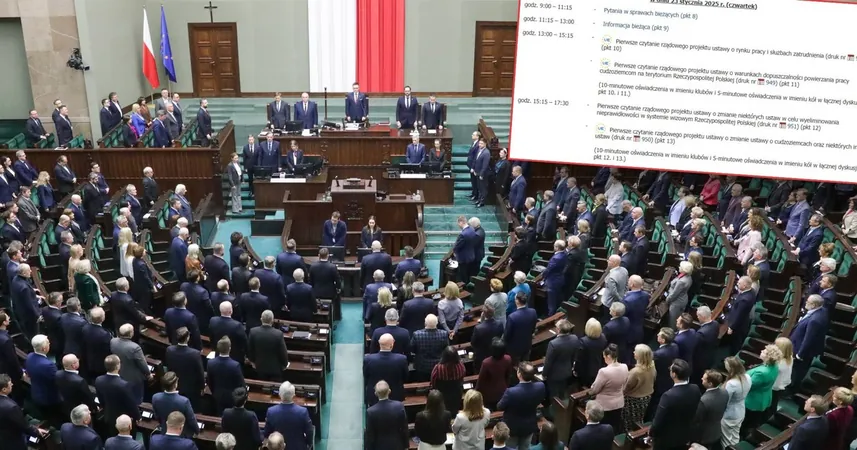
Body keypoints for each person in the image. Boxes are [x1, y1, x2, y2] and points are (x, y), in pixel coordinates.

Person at [649, 359, 701, 450]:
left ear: (674, 374)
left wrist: (651, 433)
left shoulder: (668, 396)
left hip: (666, 440)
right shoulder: (695, 388)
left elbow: (658, 420)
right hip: (685, 436)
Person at [498, 362, 546, 450]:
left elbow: (500, 407)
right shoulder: (540, 386)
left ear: (519, 374)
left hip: (512, 428)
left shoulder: (511, 392)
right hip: (529, 425)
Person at [95, 354, 141, 437]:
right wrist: (137, 416)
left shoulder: (99, 380)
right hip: (124, 420)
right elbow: (131, 404)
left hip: (108, 416)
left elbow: (101, 400)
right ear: (117, 366)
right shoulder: (124, 385)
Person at [791, 294, 829, 392]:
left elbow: (809, 339)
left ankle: (791, 391)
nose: (806, 303)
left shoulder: (814, 320)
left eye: (808, 302)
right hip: (804, 348)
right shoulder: (822, 310)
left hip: (802, 351)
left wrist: (800, 354)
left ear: (814, 305)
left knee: (797, 372)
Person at [589, 344, 629, 433]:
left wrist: (591, 389)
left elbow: (595, 390)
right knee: (613, 426)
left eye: (604, 357)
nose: (604, 359)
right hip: (619, 403)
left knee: (602, 429)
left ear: (608, 356)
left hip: (605, 406)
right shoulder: (625, 367)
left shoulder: (604, 371)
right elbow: (624, 384)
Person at [264, 381, 315, 448]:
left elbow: (267, 433)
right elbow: (309, 432)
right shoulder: (302, 412)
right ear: (293, 395)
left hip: (278, 447)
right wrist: (309, 444)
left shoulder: (271, 412)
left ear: (279, 394)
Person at [164, 327, 205, 410]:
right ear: (188, 338)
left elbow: (168, 365)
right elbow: (200, 373)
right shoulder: (195, 354)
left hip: (174, 385)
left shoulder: (169, 350)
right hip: (191, 389)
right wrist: (202, 386)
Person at [111, 324, 151, 405]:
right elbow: (142, 364)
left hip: (119, 373)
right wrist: (149, 374)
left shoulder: (113, 341)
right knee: (137, 400)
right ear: (130, 334)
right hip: (133, 379)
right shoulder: (135, 347)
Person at [363, 333, 408, 405]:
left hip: (375, 395)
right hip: (396, 395)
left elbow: (366, 376)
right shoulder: (402, 359)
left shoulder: (368, 359)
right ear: (392, 344)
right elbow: (405, 377)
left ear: (379, 343)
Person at [152, 371, 199, 437]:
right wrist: (197, 431)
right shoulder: (184, 401)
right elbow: (191, 420)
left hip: (165, 431)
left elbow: (157, 416)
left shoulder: (155, 397)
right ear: (175, 384)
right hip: (181, 434)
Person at [208, 337, 246, 414]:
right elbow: (240, 384)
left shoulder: (211, 363)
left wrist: (215, 392)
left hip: (217, 395)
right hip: (231, 397)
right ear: (229, 348)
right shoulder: (235, 365)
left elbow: (210, 382)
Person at [693, 370, 729, 450]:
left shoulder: (704, 400)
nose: (701, 378)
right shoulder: (725, 392)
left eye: (704, 378)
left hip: (704, 436)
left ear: (710, 384)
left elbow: (697, 420)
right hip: (717, 431)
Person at [248, 310, 289, 382]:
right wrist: (285, 364)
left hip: (259, 368)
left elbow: (250, 350)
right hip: (275, 369)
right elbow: (283, 353)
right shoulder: (278, 334)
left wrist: (253, 362)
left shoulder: (253, 332)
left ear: (261, 319)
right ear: (272, 320)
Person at [622, 344, 655, 432]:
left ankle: (630, 435)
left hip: (633, 400)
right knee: (639, 418)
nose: (633, 352)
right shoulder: (652, 365)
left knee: (629, 421)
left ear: (640, 356)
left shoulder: (635, 372)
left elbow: (627, 387)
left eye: (635, 352)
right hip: (647, 397)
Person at [543, 319, 579, 401]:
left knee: (554, 396)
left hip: (554, 375)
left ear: (558, 330)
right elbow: (574, 356)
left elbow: (548, 362)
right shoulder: (575, 338)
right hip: (567, 371)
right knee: (562, 392)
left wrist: (544, 374)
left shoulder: (553, 343)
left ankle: (554, 407)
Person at [476, 338, 514, 410]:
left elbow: (480, 381)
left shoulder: (486, 363)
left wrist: (476, 392)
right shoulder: (508, 358)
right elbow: (508, 375)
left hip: (489, 394)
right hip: (503, 390)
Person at [720, 356, 751, 447]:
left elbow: (725, 400)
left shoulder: (731, 384)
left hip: (730, 414)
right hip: (741, 410)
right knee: (735, 436)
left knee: (726, 440)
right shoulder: (747, 377)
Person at [411, 314, 449, 381]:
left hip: (422, 366)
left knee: (422, 382)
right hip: (438, 366)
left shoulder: (417, 334)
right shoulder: (444, 334)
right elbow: (446, 349)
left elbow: (412, 349)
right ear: (437, 323)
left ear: (425, 323)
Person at [432, 346, 467, 415]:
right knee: (454, 410)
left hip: (442, 394)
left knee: (443, 411)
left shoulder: (438, 368)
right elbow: (462, 377)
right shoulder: (461, 366)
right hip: (456, 393)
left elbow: (433, 381)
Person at [82, 307, 113, 380]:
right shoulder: (104, 335)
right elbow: (108, 350)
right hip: (100, 364)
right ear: (103, 318)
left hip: (89, 360)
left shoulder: (85, 328)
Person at [577, 318, 608, 387]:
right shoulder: (603, 338)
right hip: (599, 367)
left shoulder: (583, 341)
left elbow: (580, 358)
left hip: (586, 370)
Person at [770, 337, 793, 420]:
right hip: (781, 385)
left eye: (775, 345)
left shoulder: (779, 363)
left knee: (771, 403)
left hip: (774, 386)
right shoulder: (789, 357)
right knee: (774, 401)